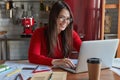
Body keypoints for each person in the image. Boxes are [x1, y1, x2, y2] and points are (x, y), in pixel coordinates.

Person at [28, 1, 82, 68]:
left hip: (63, 71)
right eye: (62, 17)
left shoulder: (71, 33)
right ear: (54, 17)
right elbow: (32, 57)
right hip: (44, 71)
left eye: (68, 18)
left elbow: (84, 50)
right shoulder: (39, 33)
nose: (65, 22)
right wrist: (55, 61)